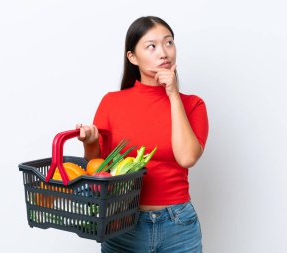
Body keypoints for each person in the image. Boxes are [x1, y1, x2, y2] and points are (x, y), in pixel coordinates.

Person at [77, 16, 209, 253]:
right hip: (122, 223)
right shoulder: (111, 103)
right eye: (152, 46)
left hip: (178, 225)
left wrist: (173, 95)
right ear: (132, 57)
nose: (164, 53)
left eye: (169, 43)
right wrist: (91, 143)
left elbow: (187, 158)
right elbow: (98, 168)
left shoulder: (193, 105)